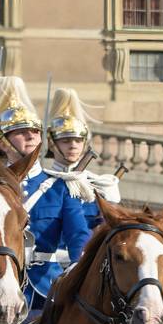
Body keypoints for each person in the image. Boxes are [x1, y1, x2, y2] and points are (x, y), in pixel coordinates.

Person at [0, 76, 89, 309]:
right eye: (21, 132)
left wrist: (78, 269)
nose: (31, 136)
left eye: (35, 131)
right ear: (3, 142)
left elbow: (78, 236)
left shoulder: (60, 187)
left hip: (45, 288)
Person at [43, 88, 120, 228]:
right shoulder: (40, 182)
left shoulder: (101, 186)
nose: (73, 146)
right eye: (66, 141)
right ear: (52, 144)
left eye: (78, 141)